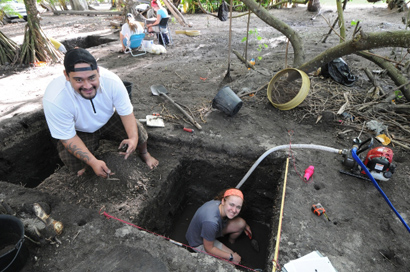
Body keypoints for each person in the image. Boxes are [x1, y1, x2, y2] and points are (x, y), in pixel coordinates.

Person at [43, 48, 159, 178]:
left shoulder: (112, 82)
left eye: (92, 78)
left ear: (98, 71)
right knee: (71, 158)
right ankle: (86, 171)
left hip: (108, 120)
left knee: (137, 130)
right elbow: (68, 137)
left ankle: (144, 154)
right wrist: (93, 162)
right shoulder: (55, 98)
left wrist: (133, 138)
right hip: (80, 130)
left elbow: (127, 114)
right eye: (79, 80)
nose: (87, 86)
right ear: (66, 76)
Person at [185, 188, 251, 265]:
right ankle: (228, 247)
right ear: (223, 201)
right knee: (231, 263)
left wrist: (245, 225)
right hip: (199, 242)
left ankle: (231, 242)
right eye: (231, 204)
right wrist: (231, 257)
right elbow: (209, 248)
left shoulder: (218, 203)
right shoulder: (211, 222)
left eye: (238, 207)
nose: (234, 210)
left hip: (211, 230)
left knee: (241, 223)